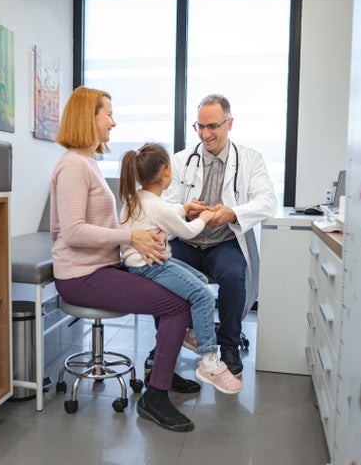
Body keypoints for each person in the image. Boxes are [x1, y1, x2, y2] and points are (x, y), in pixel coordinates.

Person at [50, 86, 196, 432]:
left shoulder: (88, 162)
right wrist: (130, 237)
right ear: (89, 117)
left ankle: (164, 373)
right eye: (108, 114)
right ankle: (155, 396)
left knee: (180, 288)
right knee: (176, 305)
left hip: (101, 267)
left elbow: (105, 224)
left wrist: (144, 239)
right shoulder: (73, 166)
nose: (113, 122)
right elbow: (73, 232)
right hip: (80, 276)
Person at [158, 93, 278, 378]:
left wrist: (233, 214)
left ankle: (229, 345)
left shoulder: (250, 159)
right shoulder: (180, 160)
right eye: (200, 127)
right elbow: (166, 203)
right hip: (186, 240)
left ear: (229, 123)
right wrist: (185, 211)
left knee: (234, 276)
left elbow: (268, 201)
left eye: (212, 126)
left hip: (224, 242)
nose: (205, 134)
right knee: (159, 269)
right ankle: (166, 343)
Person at [119, 143, 243, 394]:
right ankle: (209, 361)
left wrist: (185, 209)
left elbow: (162, 213)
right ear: (167, 171)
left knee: (198, 278)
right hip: (151, 267)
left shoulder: (137, 198)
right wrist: (204, 218)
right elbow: (187, 230)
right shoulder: (158, 206)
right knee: (204, 294)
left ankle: (189, 332)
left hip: (143, 264)